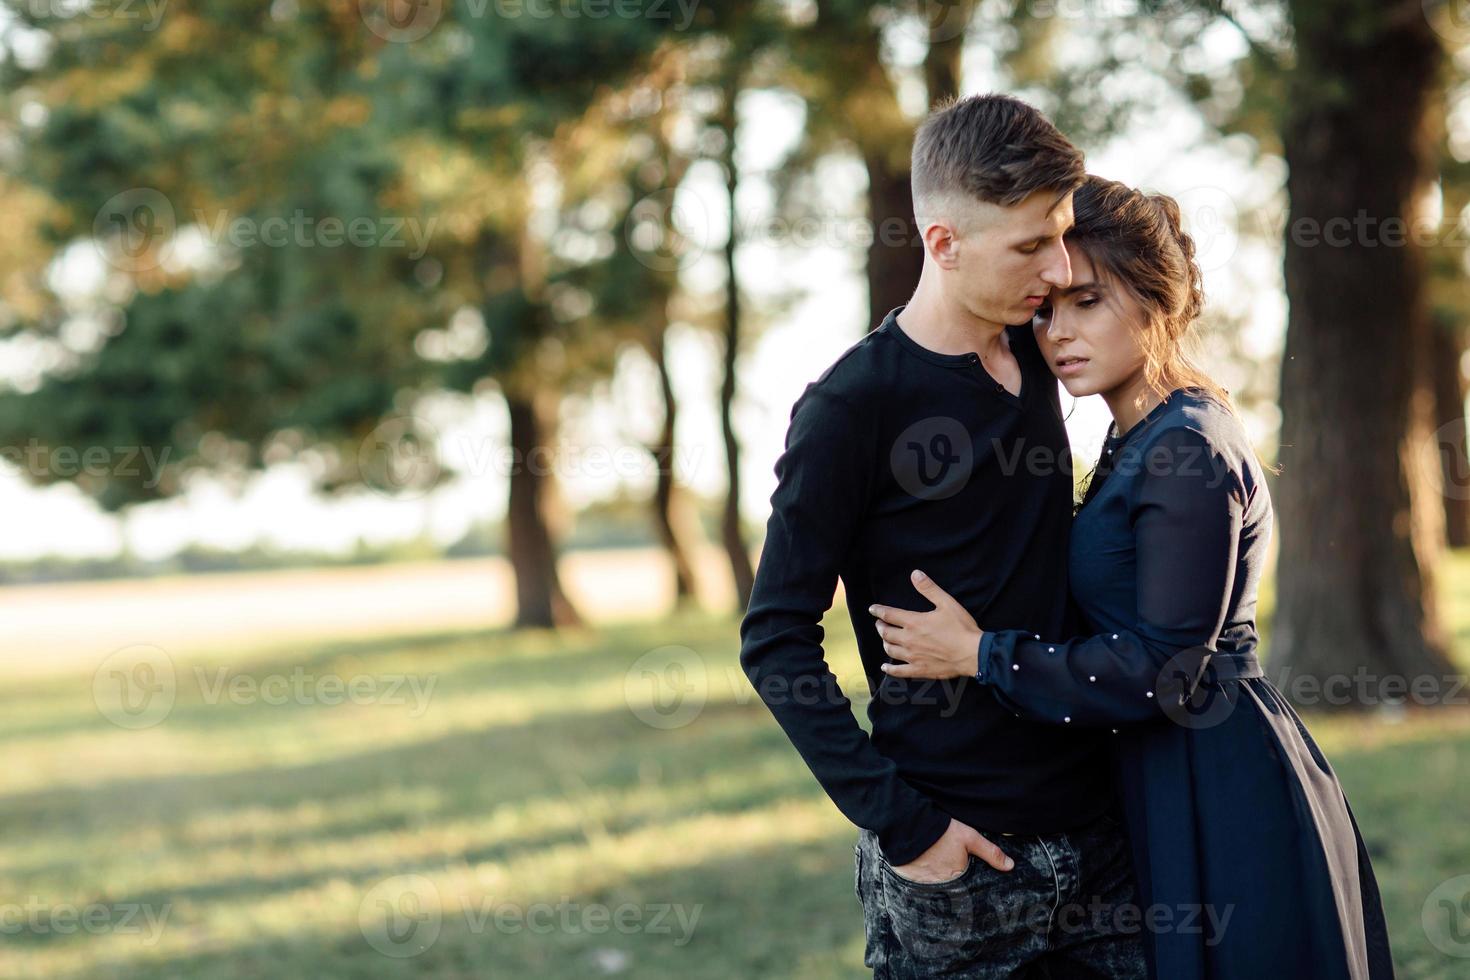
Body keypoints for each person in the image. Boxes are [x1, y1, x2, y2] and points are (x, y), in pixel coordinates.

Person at [870, 174, 1396, 979]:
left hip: (1220, 785)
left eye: (1088, 302)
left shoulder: (1186, 444)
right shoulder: (1140, 439)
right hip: (1160, 778)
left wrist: (981, 654)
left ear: (1153, 300)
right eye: (1046, 309)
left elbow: (1166, 668)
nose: (1057, 334)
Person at [739, 95, 1148, 977]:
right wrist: (906, 826)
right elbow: (774, 641)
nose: (1059, 264)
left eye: (1063, 233)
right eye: (1031, 244)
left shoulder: (1044, 352)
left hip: (1100, 840)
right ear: (943, 244)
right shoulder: (852, 405)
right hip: (955, 869)